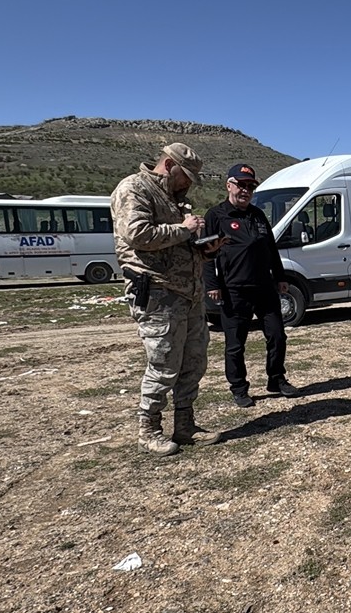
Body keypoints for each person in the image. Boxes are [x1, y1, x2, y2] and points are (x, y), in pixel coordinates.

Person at [111, 143, 223, 456]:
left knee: (193, 361)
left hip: (189, 293)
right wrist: (184, 229)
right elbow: (137, 234)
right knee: (164, 362)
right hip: (158, 293)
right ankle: (149, 430)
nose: (187, 183)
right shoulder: (134, 188)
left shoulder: (175, 199)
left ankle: (185, 425)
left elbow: (177, 244)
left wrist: (203, 248)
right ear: (169, 164)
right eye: (185, 175)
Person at [204, 163, 298, 407]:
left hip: (264, 287)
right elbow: (206, 254)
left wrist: (280, 277)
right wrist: (212, 284)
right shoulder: (216, 215)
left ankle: (276, 379)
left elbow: (271, 249)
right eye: (241, 185)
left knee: (277, 335)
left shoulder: (257, 215)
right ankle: (239, 387)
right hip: (233, 290)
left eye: (250, 186)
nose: (245, 190)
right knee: (235, 344)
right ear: (229, 185)